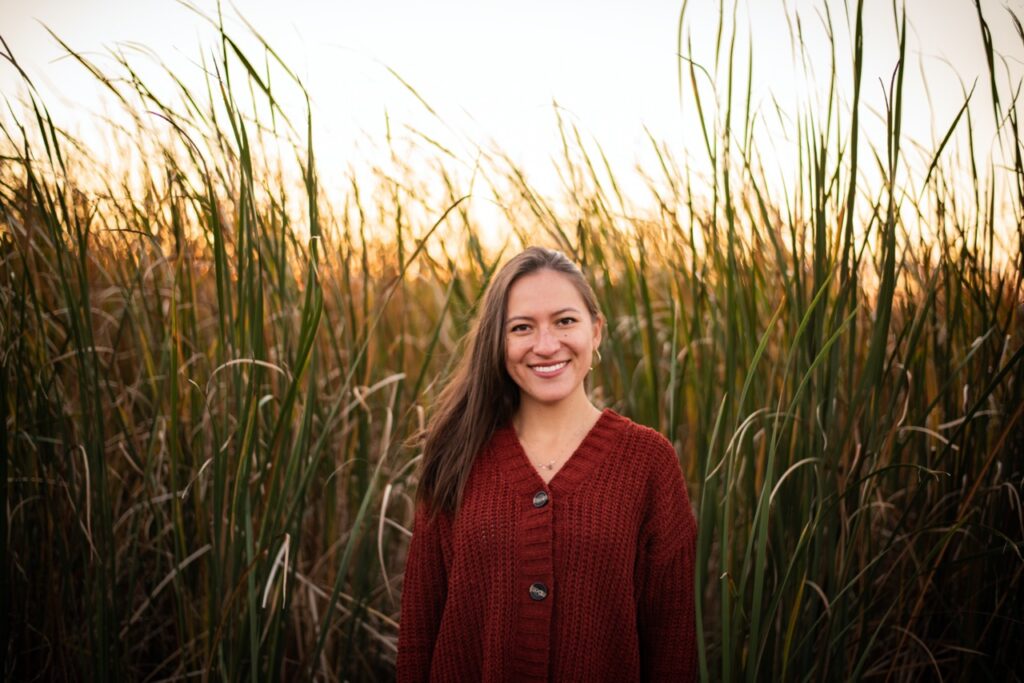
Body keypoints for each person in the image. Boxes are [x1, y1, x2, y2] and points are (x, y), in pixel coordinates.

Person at [396, 246, 697, 682]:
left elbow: (673, 644)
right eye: (522, 327)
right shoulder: (457, 454)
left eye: (565, 321)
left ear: (596, 331)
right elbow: (419, 635)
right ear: (499, 343)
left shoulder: (648, 462)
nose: (546, 345)